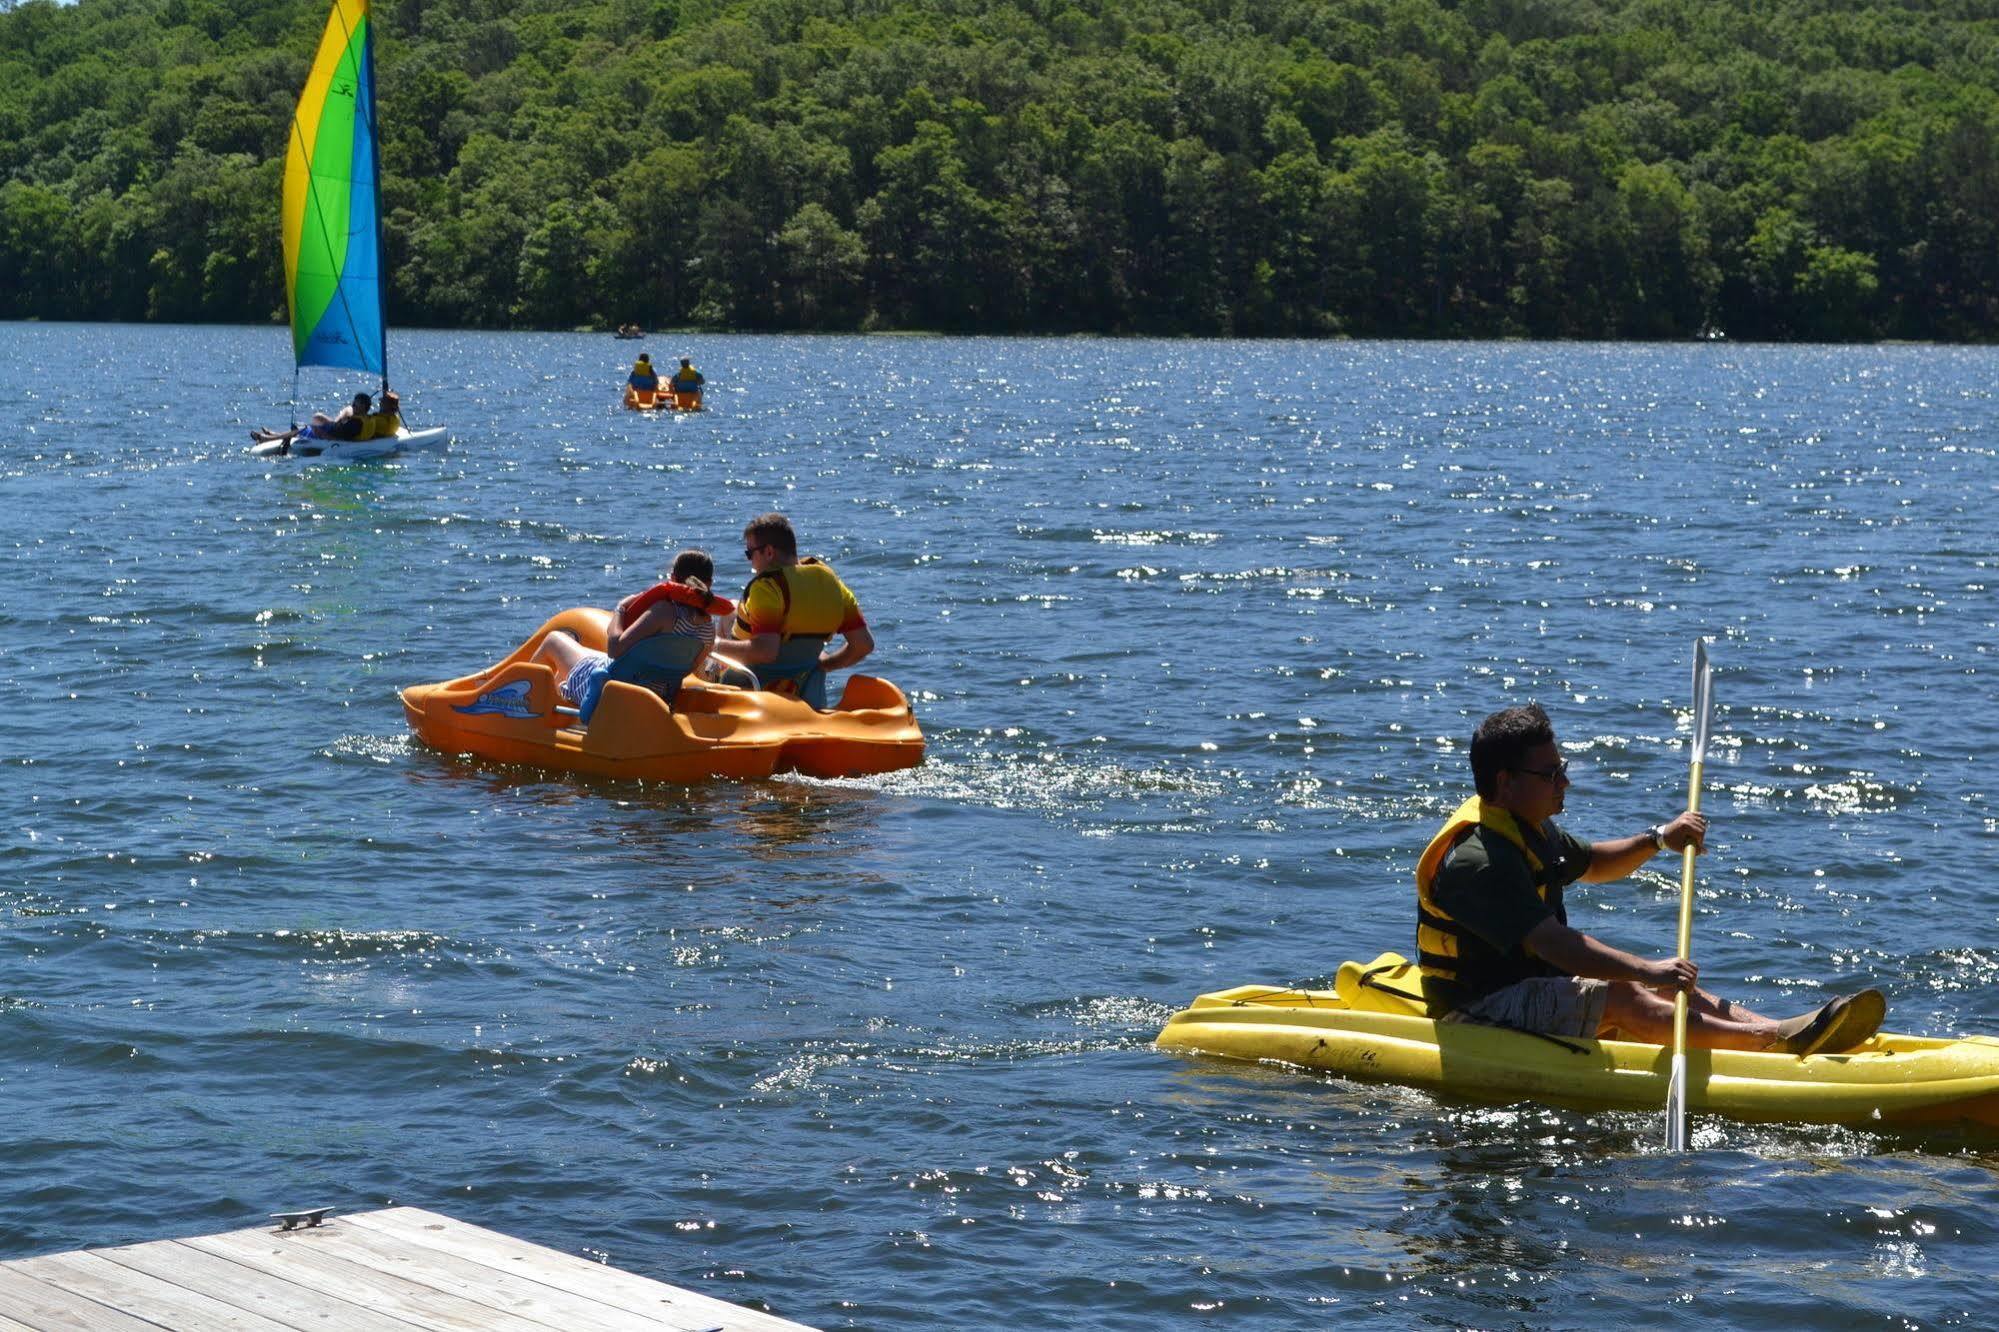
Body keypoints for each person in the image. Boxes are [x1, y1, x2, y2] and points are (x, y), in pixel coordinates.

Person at [1416, 703, 1885, 1054]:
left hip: (1530, 985)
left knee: (1668, 986)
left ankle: (1780, 1029)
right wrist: (1644, 968)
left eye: (1562, 769)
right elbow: (1554, 945)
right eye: (1551, 773)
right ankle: (1774, 1045)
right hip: (1478, 1011)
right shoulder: (1478, 861)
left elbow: (1596, 863)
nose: (1564, 782)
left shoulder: (1526, 826)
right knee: (1627, 993)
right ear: (1504, 782)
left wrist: (1661, 837)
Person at [530, 549, 726, 718]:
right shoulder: (708, 628)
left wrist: (620, 609)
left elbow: (614, 649)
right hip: (656, 697)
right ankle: (558, 699)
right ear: (709, 583)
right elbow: (687, 669)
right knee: (587, 656)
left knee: (554, 640)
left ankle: (524, 708)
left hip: (614, 691)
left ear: (673, 579)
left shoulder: (664, 612)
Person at [707, 513, 872, 704]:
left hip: (750, 689)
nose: (750, 562)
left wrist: (714, 643)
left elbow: (766, 652)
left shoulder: (767, 587)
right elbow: (863, 644)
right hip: (805, 690)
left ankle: (708, 693)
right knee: (731, 609)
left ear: (769, 552)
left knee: (717, 628)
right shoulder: (831, 584)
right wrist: (824, 664)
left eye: (750, 554)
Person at [250, 392, 373, 446]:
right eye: (353, 403)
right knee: (312, 421)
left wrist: (321, 433)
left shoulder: (355, 424)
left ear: (363, 407)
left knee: (302, 428)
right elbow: (343, 421)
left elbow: (341, 439)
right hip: (331, 430)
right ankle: (275, 435)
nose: (353, 405)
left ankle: (268, 438)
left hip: (328, 436)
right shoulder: (364, 418)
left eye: (356, 404)